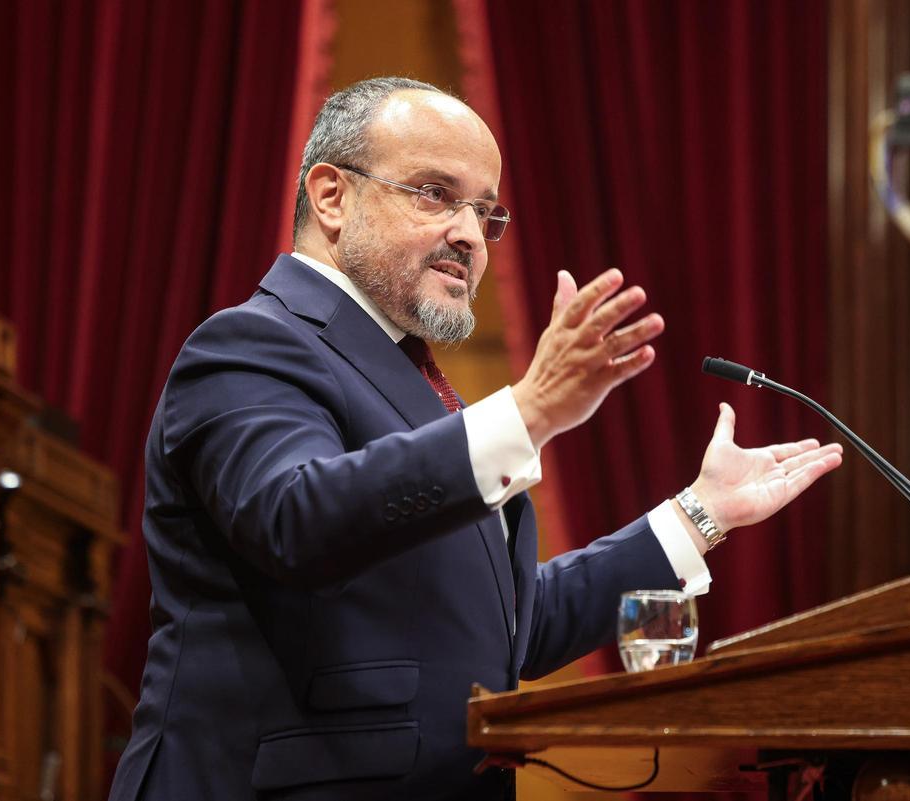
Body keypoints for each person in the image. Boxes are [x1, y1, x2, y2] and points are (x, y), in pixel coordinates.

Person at [106, 76, 843, 801]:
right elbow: (297, 516)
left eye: (486, 214)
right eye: (434, 194)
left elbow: (504, 626)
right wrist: (530, 412)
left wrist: (700, 514)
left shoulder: (410, 382)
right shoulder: (248, 344)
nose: (468, 234)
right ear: (332, 196)